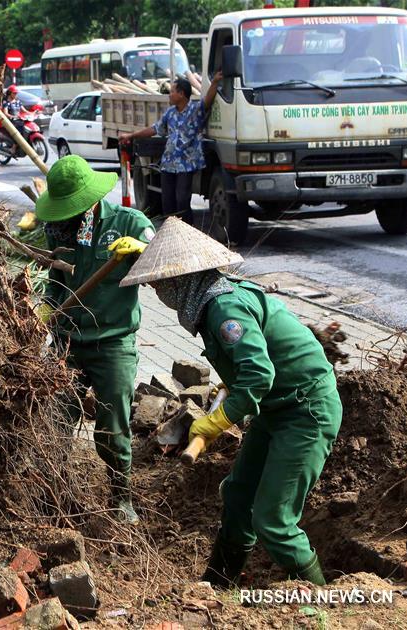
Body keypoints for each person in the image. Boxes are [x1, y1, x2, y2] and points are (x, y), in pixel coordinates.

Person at [118, 217, 342, 586]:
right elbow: (252, 367)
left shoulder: (224, 309)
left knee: (273, 519)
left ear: (179, 282)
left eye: (159, 284)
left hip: (305, 411)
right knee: (239, 496)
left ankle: (322, 601)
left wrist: (216, 421)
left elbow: (259, 376)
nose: (157, 293)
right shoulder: (212, 297)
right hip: (276, 410)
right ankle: (220, 584)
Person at [36, 155, 156, 524]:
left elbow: (164, 265)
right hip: (67, 342)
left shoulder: (129, 223)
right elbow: (56, 282)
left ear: (88, 201)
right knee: (54, 422)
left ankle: (122, 495)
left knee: (112, 427)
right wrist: (46, 307)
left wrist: (143, 255)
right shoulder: (57, 229)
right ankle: (53, 495)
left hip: (113, 342)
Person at [119, 73, 222, 225]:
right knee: (167, 202)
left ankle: (187, 230)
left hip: (186, 165)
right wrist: (131, 135)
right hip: (168, 164)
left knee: (182, 200)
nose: (170, 94)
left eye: (173, 91)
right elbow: (154, 129)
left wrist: (214, 82)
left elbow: (207, 101)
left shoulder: (195, 110)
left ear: (181, 94)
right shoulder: (170, 113)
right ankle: (170, 231)